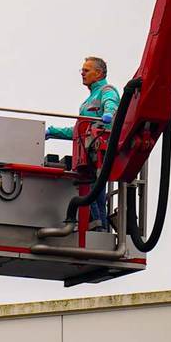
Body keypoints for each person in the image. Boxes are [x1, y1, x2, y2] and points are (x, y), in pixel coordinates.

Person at [46, 56, 119, 229]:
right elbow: (79, 130)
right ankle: (100, 226)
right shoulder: (87, 101)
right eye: (82, 70)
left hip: (97, 153)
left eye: (86, 70)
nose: (82, 74)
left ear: (99, 73)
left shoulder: (106, 90)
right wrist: (53, 131)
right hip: (87, 154)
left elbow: (112, 104)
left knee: (93, 190)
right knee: (95, 191)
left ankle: (99, 226)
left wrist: (109, 113)